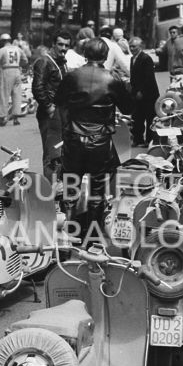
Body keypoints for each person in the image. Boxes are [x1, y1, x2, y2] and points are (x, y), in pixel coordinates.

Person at [54, 36, 132, 244]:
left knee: (71, 186)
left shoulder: (72, 77)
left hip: (73, 138)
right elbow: (128, 107)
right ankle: (92, 235)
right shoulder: (111, 79)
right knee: (98, 189)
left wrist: (66, 128)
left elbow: (59, 102)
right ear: (106, 56)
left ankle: (68, 233)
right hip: (99, 140)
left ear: (85, 54)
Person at [31, 34, 68, 178]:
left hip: (61, 112)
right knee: (51, 153)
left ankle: (59, 185)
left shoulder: (61, 62)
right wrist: (49, 107)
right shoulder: (44, 61)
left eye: (66, 45)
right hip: (50, 113)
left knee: (60, 151)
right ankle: (49, 188)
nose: (63, 48)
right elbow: (37, 87)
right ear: (53, 44)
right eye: (60, 44)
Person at [128, 37, 160, 146]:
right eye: (130, 46)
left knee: (150, 117)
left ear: (140, 47)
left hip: (148, 94)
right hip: (136, 93)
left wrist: (141, 91)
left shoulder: (146, 58)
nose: (132, 48)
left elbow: (148, 78)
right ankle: (138, 139)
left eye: (134, 46)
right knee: (137, 117)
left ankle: (149, 140)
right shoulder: (133, 58)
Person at [0, 32, 28, 126]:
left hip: (7, 71)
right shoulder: (18, 49)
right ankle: (16, 117)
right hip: (17, 70)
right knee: (17, 94)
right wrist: (18, 64)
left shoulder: (2, 50)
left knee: (4, 94)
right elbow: (25, 60)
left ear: (2, 41)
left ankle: (2, 117)